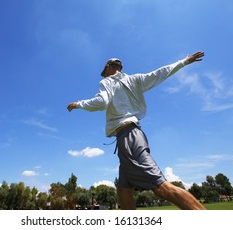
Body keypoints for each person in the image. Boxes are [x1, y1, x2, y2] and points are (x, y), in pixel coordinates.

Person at [67, 51, 206, 210]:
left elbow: (102, 102)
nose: (104, 75)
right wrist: (184, 61)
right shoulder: (136, 79)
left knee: (160, 186)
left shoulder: (106, 82)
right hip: (132, 134)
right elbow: (160, 73)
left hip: (128, 137)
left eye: (104, 72)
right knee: (123, 190)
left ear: (108, 67)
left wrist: (78, 104)